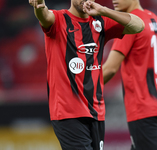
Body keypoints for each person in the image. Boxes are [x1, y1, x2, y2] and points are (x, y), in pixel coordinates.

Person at [28, 0, 144, 149]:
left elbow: (138, 26)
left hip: (96, 112)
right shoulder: (59, 19)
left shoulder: (100, 21)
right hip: (68, 113)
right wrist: (40, 7)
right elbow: (45, 16)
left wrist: (104, 11)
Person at [103, 0, 157, 150]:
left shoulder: (130, 24)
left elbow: (110, 68)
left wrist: (82, 85)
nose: (114, 0)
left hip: (143, 110)